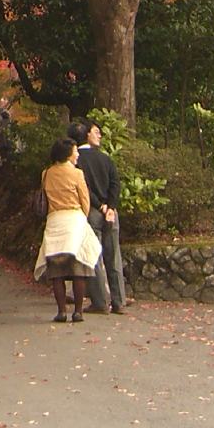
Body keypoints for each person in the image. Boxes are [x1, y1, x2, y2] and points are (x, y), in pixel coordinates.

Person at [33, 138, 102, 323]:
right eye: (75, 151)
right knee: (78, 270)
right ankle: (78, 311)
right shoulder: (77, 173)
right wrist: (82, 217)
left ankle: (61, 311)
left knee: (57, 272)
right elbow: (85, 201)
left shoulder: (46, 173)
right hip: (74, 221)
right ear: (67, 154)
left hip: (54, 222)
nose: (77, 154)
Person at [70, 119, 125, 314]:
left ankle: (100, 301)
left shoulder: (77, 161)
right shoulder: (105, 158)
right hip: (111, 213)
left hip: (91, 211)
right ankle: (119, 301)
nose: (99, 135)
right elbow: (115, 183)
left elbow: (83, 188)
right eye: (96, 131)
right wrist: (111, 206)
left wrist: (100, 206)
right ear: (87, 135)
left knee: (93, 256)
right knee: (113, 256)